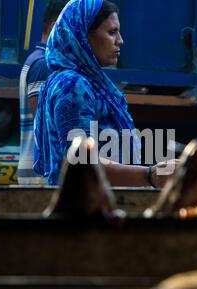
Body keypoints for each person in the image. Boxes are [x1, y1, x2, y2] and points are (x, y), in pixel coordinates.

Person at [34, 0, 178, 187]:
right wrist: (150, 175)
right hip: (86, 204)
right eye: (111, 32)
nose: (120, 40)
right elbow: (82, 164)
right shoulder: (72, 85)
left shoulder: (83, 81)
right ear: (83, 36)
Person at [18, 0, 69, 185]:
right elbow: (46, 129)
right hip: (41, 176)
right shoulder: (43, 64)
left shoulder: (38, 61)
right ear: (56, 27)